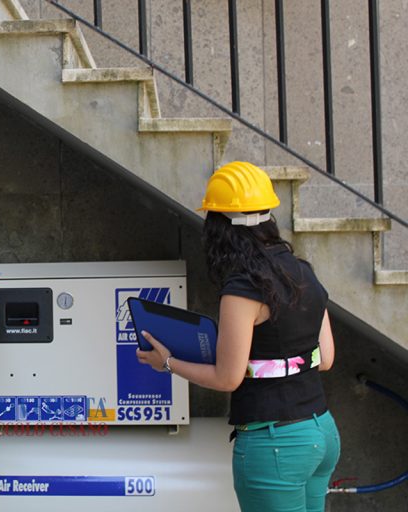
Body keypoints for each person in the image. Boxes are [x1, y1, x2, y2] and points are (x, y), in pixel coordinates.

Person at [137, 161, 340, 512]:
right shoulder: (303, 272)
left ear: (221, 229)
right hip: (321, 432)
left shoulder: (244, 288)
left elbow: (227, 377)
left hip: (276, 443)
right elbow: (326, 358)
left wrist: (167, 362)